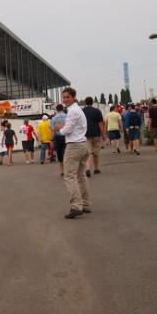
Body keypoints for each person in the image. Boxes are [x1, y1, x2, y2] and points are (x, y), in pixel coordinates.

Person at [54, 87, 90, 219]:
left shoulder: (72, 111)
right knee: (81, 176)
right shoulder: (78, 110)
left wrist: (59, 128)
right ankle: (85, 204)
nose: (65, 100)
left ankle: (76, 206)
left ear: (74, 97)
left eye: (67, 97)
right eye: (63, 97)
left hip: (74, 145)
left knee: (69, 176)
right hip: (83, 144)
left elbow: (67, 130)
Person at [82, 97, 105, 176]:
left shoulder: (82, 112)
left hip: (85, 135)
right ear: (92, 102)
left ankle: (88, 169)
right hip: (96, 134)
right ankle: (96, 168)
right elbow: (100, 124)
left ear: (85, 102)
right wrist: (103, 134)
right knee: (96, 152)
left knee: (88, 153)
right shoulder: (97, 111)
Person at [50, 104, 67, 177]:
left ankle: (62, 171)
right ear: (63, 109)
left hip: (58, 137)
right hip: (67, 137)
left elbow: (53, 130)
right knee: (66, 153)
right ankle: (67, 169)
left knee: (59, 154)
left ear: (56, 110)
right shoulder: (67, 116)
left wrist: (51, 139)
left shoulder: (54, 118)